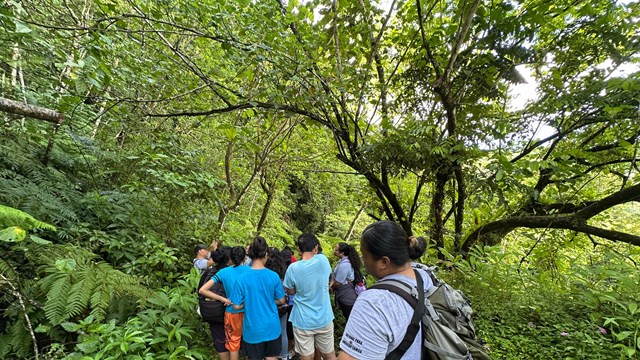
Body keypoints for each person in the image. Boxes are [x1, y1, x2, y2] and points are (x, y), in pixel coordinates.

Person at [338, 221, 434, 360]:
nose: (362, 259)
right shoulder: (424, 275)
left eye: (364, 255)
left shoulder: (373, 302)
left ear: (384, 262)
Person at [231, 237, 286, 360]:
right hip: (272, 327)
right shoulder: (273, 276)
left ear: (249, 255)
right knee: (272, 357)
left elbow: (236, 306)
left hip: (252, 329)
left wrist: (249, 303)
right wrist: (270, 301)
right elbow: (282, 300)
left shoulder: (242, 278)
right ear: (266, 255)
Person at [284, 234, 336, 360]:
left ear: (299, 249)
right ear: (316, 247)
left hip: (302, 319)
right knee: (329, 355)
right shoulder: (323, 261)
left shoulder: (293, 268)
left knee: (306, 356)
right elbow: (328, 277)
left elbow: (290, 291)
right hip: (324, 318)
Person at [199, 246, 251, 360]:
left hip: (231, 312)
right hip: (248, 312)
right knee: (251, 341)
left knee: (233, 344)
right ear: (244, 258)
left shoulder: (224, 272)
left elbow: (202, 290)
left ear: (230, 259)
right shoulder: (250, 271)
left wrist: (223, 299)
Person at [202, 247, 232, 360]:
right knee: (232, 338)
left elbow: (200, 291)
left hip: (210, 311)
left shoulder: (208, 272)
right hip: (226, 310)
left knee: (219, 339)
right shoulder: (228, 272)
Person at [266, 247, 290, 360]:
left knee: (269, 331)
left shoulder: (267, 272)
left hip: (270, 305)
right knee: (283, 331)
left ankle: (269, 354)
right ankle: (284, 355)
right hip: (283, 306)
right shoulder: (284, 270)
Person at [329, 242, 363, 320]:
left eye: (336, 250)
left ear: (342, 253)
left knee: (350, 318)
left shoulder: (344, 266)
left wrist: (330, 287)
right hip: (349, 296)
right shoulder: (346, 262)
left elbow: (337, 283)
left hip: (347, 298)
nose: (334, 251)